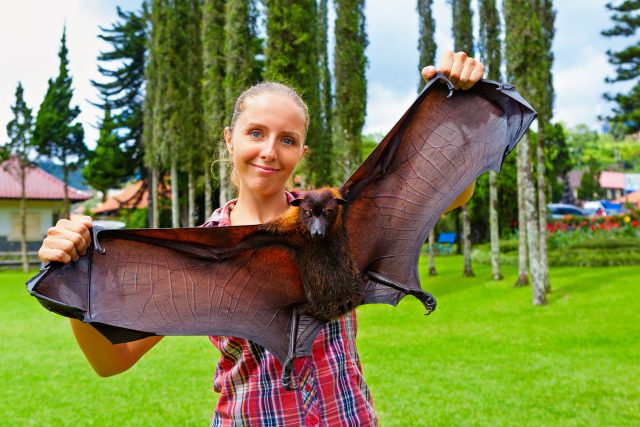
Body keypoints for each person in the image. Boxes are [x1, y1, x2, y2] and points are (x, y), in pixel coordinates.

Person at [38, 51, 484, 426]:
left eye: (287, 139)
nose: (270, 150)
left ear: (301, 152)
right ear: (230, 140)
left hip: (346, 416)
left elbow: (451, 193)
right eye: (256, 133)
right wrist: (73, 281)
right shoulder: (200, 253)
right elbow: (110, 361)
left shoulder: (335, 221)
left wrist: (457, 107)